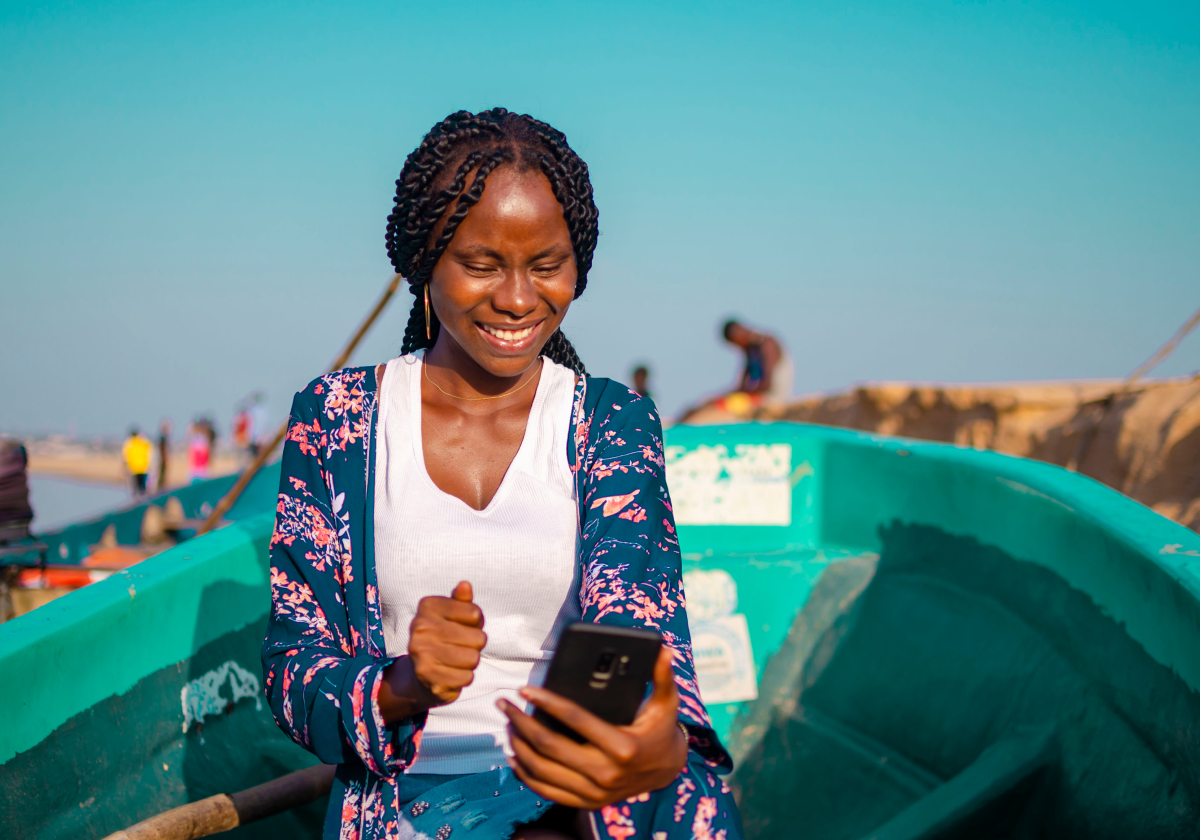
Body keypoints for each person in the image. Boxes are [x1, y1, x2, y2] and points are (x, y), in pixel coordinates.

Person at [264, 109, 740, 840]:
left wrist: (658, 748)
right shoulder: (338, 419)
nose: (519, 299)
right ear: (425, 266)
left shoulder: (613, 424)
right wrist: (400, 685)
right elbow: (294, 670)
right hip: (405, 802)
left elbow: (645, 637)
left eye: (547, 266)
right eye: (482, 265)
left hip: (578, 793)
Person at [721, 319, 793, 404]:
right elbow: (743, 385)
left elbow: (767, 385)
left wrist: (741, 393)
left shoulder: (767, 344)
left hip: (774, 399)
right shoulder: (750, 350)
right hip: (761, 397)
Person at [122, 427, 153, 498]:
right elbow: (150, 452)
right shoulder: (143, 442)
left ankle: (136, 502)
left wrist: (124, 468)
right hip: (143, 468)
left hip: (133, 469)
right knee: (143, 488)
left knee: (134, 489)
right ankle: (143, 501)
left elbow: (125, 457)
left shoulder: (129, 443)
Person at [156, 419, 172, 491]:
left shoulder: (163, 438)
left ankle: (161, 489)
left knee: (162, 476)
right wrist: (164, 458)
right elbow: (162, 449)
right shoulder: (162, 439)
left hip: (162, 460)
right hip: (161, 461)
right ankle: (160, 490)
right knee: (161, 477)